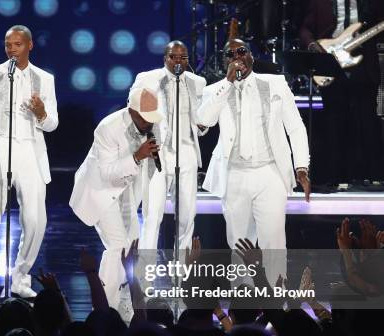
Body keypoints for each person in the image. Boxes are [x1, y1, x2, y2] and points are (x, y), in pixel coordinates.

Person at [197, 39, 311, 285]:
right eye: (231, 54)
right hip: (234, 174)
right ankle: (243, 308)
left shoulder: (275, 84)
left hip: (269, 172)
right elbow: (203, 122)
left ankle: (276, 305)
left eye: (242, 51)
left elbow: (296, 127)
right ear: (224, 61)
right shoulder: (214, 90)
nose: (237, 57)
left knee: (274, 243)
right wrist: (227, 83)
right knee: (239, 244)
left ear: (251, 55)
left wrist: (301, 166)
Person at [0, 25, 58, 303]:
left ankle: (20, 277)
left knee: (35, 219)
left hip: (30, 149)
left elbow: (52, 124)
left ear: (29, 45)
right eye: (8, 44)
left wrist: (41, 113)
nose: (12, 49)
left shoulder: (45, 79)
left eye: (17, 44)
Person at [70, 87, 162, 320]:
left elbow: (148, 170)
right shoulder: (108, 128)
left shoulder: (152, 127)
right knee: (118, 248)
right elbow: (107, 172)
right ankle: (104, 310)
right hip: (101, 190)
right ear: (132, 111)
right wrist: (137, 156)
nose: (149, 123)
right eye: (144, 118)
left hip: (126, 192)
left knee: (132, 248)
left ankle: (125, 304)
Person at [130, 40, 208, 252]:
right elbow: (132, 109)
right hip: (158, 154)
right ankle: (145, 276)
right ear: (165, 58)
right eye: (173, 57)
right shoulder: (147, 79)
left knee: (186, 216)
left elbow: (203, 121)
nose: (178, 61)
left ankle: (182, 273)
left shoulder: (198, 82)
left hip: (187, 152)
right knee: (152, 215)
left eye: (183, 58)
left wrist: (203, 126)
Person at [299, 0, 383, 184]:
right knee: (334, 119)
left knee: (367, 118)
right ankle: (336, 177)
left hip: (363, 62)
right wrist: (313, 46)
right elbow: (305, 28)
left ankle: (372, 176)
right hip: (330, 60)